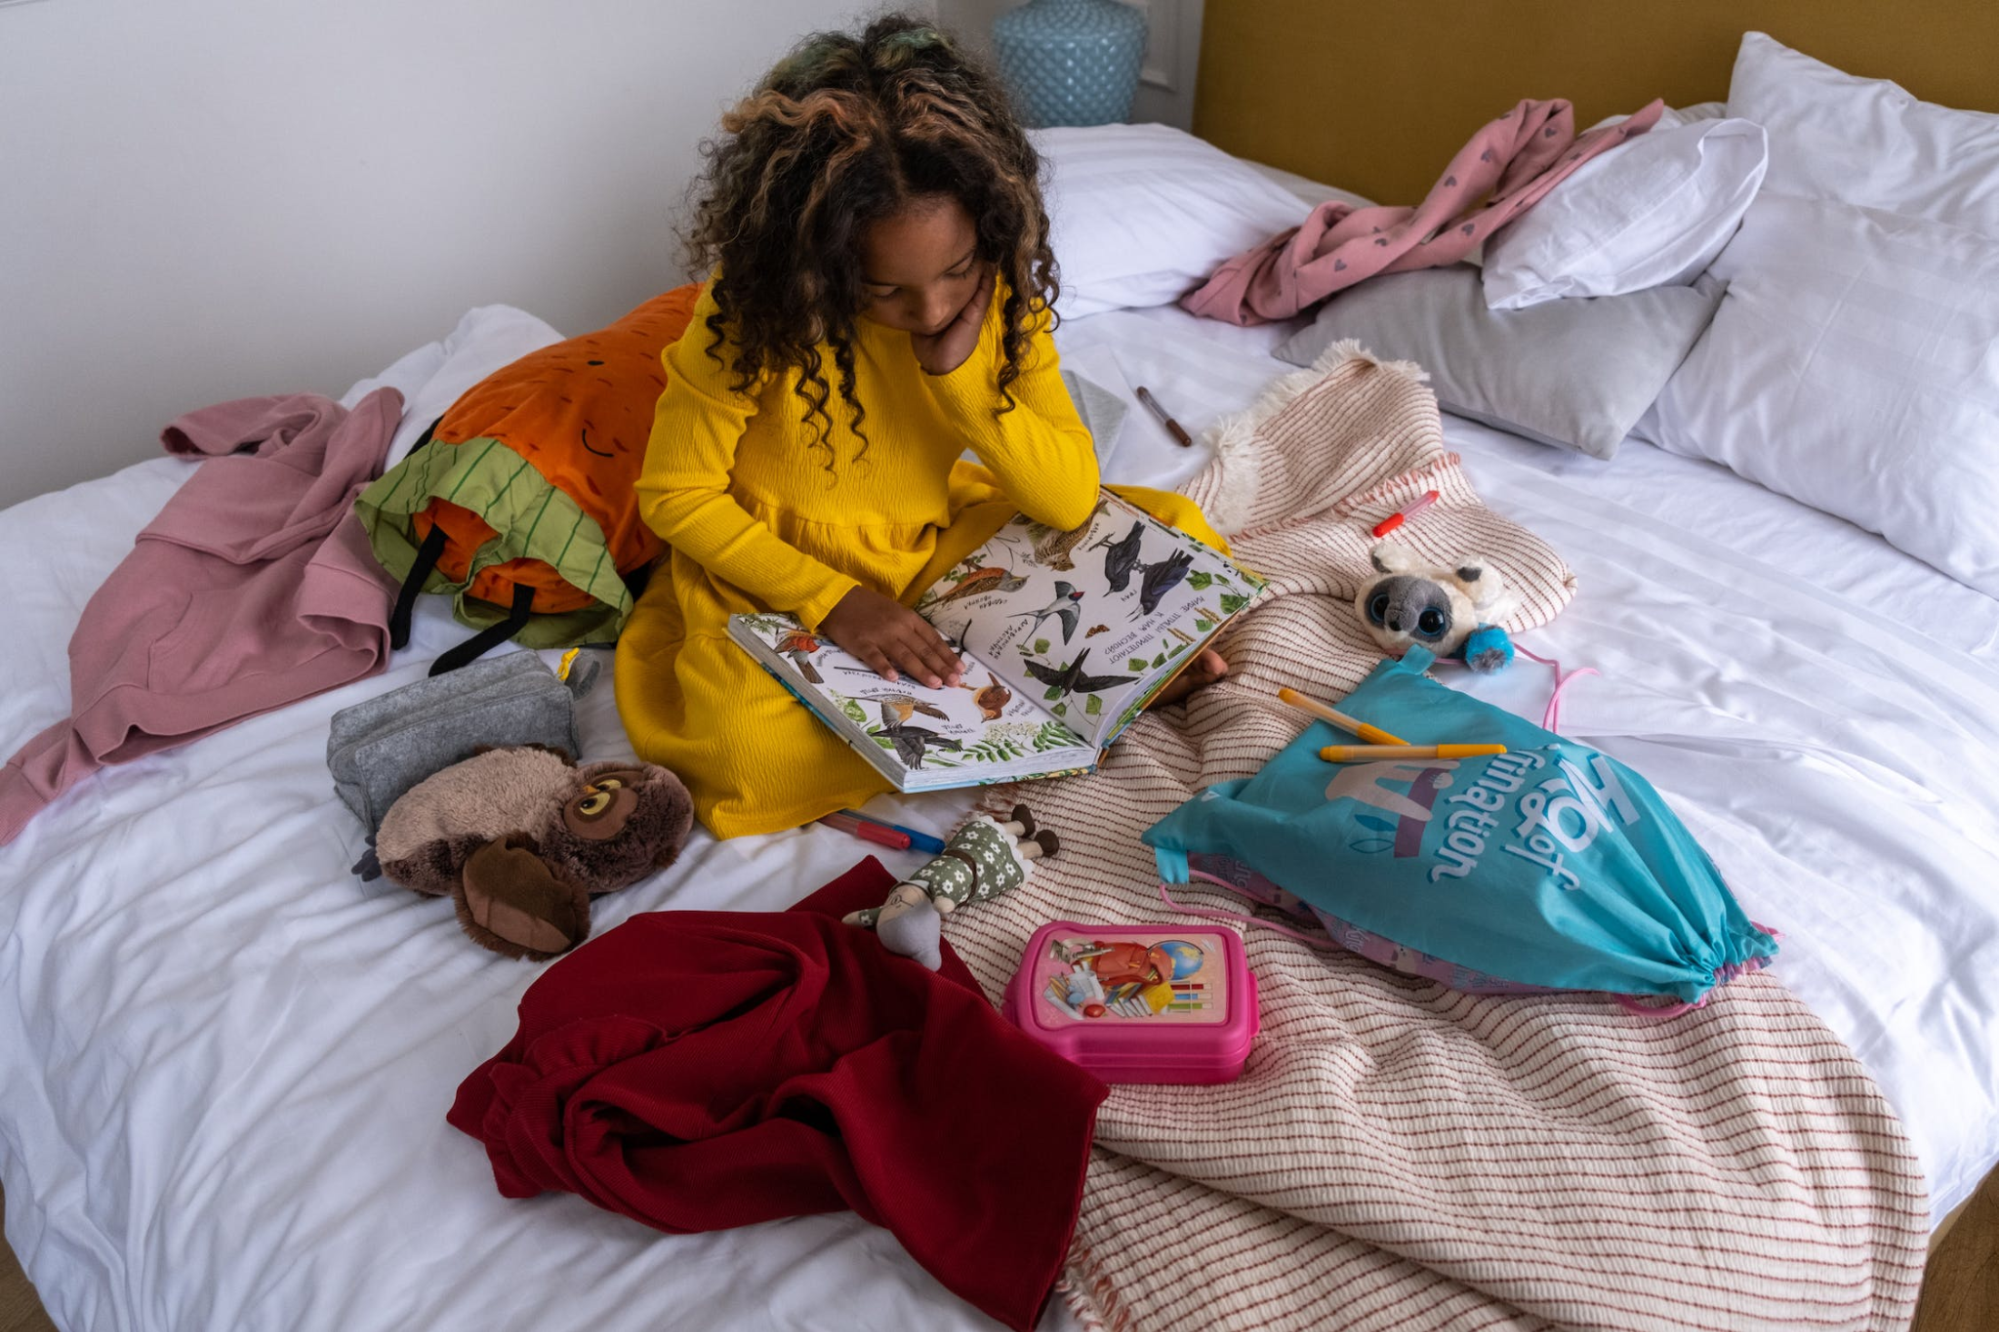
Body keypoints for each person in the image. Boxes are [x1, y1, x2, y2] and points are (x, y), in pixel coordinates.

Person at [615, 14, 1228, 838]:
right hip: (779, 571)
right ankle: (1091, 689)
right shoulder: (752, 313)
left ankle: (1046, 693)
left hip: (936, 542)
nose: (933, 308)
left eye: (955, 270)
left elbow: (1065, 497)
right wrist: (833, 602)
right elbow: (675, 495)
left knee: (1182, 533)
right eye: (886, 291)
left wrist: (961, 383)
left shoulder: (998, 302)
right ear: (823, 263)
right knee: (743, 751)